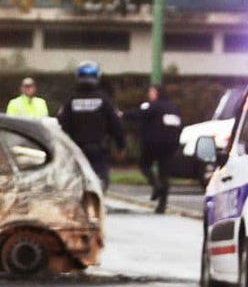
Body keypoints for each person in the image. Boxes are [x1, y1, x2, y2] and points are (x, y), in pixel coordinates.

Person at [56, 61, 125, 189]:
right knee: (100, 179)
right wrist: (121, 146)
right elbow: (116, 124)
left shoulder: (71, 99)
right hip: (98, 148)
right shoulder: (104, 99)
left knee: (75, 179)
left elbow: (61, 124)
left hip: (76, 148)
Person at [127, 84, 183, 212]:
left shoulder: (152, 105)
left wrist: (123, 114)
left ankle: (156, 185)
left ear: (157, 93)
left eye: (151, 92)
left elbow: (139, 113)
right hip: (170, 144)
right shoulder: (174, 107)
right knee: (164, 173)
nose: (150, 94)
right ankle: (162, 205)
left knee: (144, 164)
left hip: (153, 142)